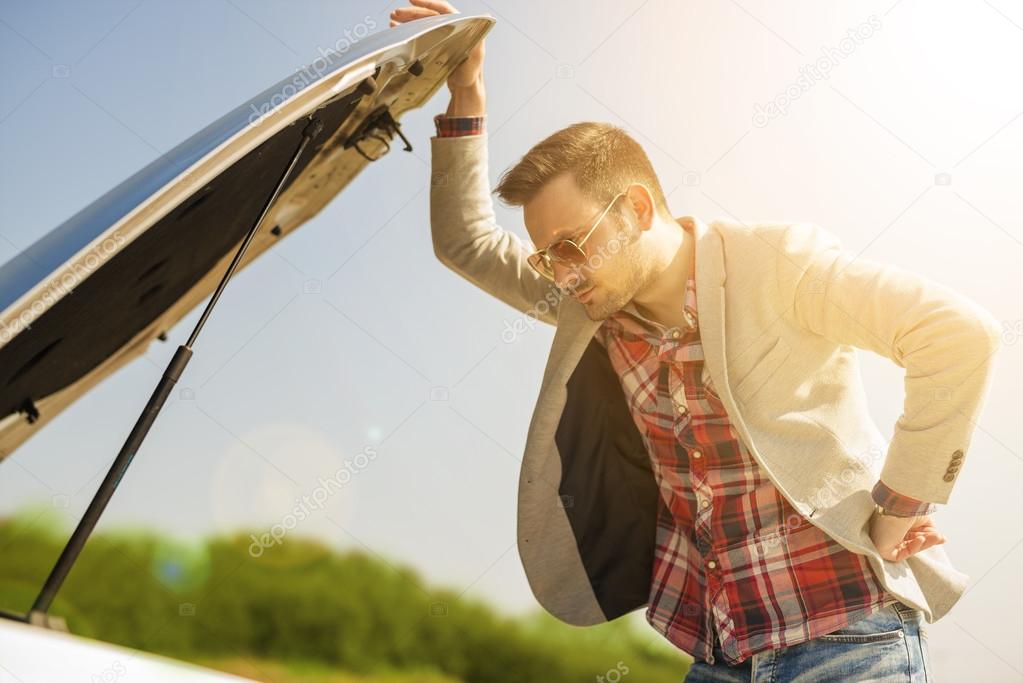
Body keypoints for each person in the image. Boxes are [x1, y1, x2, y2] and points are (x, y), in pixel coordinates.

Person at [391, 2, 1002, 679]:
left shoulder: (778, 262)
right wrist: (467, 94)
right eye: (547, 259)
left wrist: (900, 503)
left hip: (848, 638)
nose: (562, 272)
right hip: (719, 656)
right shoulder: (591, 305)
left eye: (571, 245)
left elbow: (957, 333)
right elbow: (465, 243)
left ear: (637, 209)